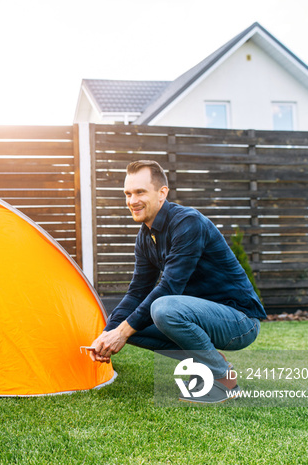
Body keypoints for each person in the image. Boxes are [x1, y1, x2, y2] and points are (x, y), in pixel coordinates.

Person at [89, 160, 266, 403]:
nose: (132, 201)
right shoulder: (145, 237)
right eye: (128, 194)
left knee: (163, 309)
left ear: (162, 193)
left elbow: (170, 287)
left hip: (239, 320)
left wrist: (121, 331)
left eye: (140, 192)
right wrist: (108, 334)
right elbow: (137, 292)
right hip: (200, 319)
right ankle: (211, 363)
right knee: (125, 324)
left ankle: (225, 381)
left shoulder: (187, 223)